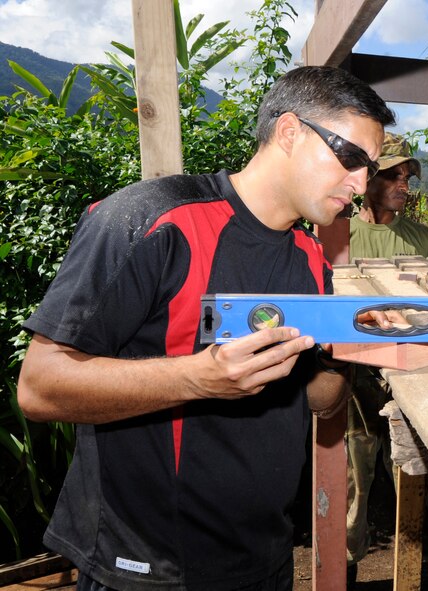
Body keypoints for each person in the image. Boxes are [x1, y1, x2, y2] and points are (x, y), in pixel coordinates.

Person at [15, 66, 396, 591]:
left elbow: (316, 400)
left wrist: (347, 351)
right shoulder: (152, 219)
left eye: (370, 169)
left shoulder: (311, 259)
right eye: (351, 158)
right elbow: (39, 387)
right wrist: (199, 378)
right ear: (290, 132)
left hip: (263, 558)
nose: (361, 183)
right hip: (150, 569)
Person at [346, 133, 428, 588]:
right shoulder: (338, 233)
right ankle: (343, 564)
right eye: (393, 174)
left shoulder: (425, 239)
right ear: (367, 177)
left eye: (407, 176)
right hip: (354, 375)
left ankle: (419, 565)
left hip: (412, 372)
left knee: (413, 471)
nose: (404, 184)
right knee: (353, 473)